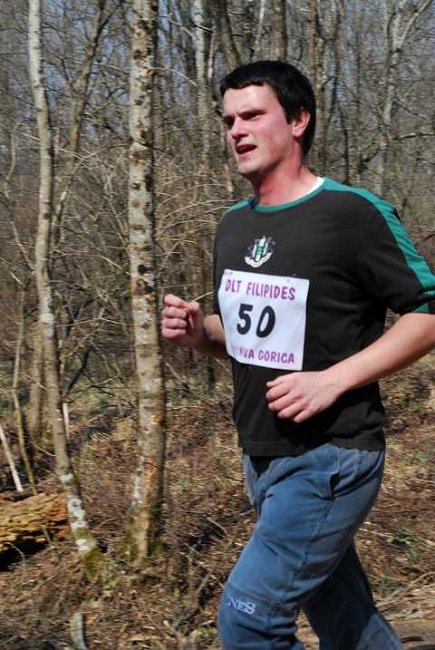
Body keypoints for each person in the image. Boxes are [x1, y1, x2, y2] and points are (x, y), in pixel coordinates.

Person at [161, 60, 435, 649]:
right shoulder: (233, 225)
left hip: (329, 456)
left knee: (249, 620)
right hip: (261, 458)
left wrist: (333, 380)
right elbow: (250, 341)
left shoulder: (351, 213)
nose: (237, 130)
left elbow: (427, 313)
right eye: (229, 121)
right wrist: (200, 334)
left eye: (252, 115)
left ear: (298, 120)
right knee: (347, 624)